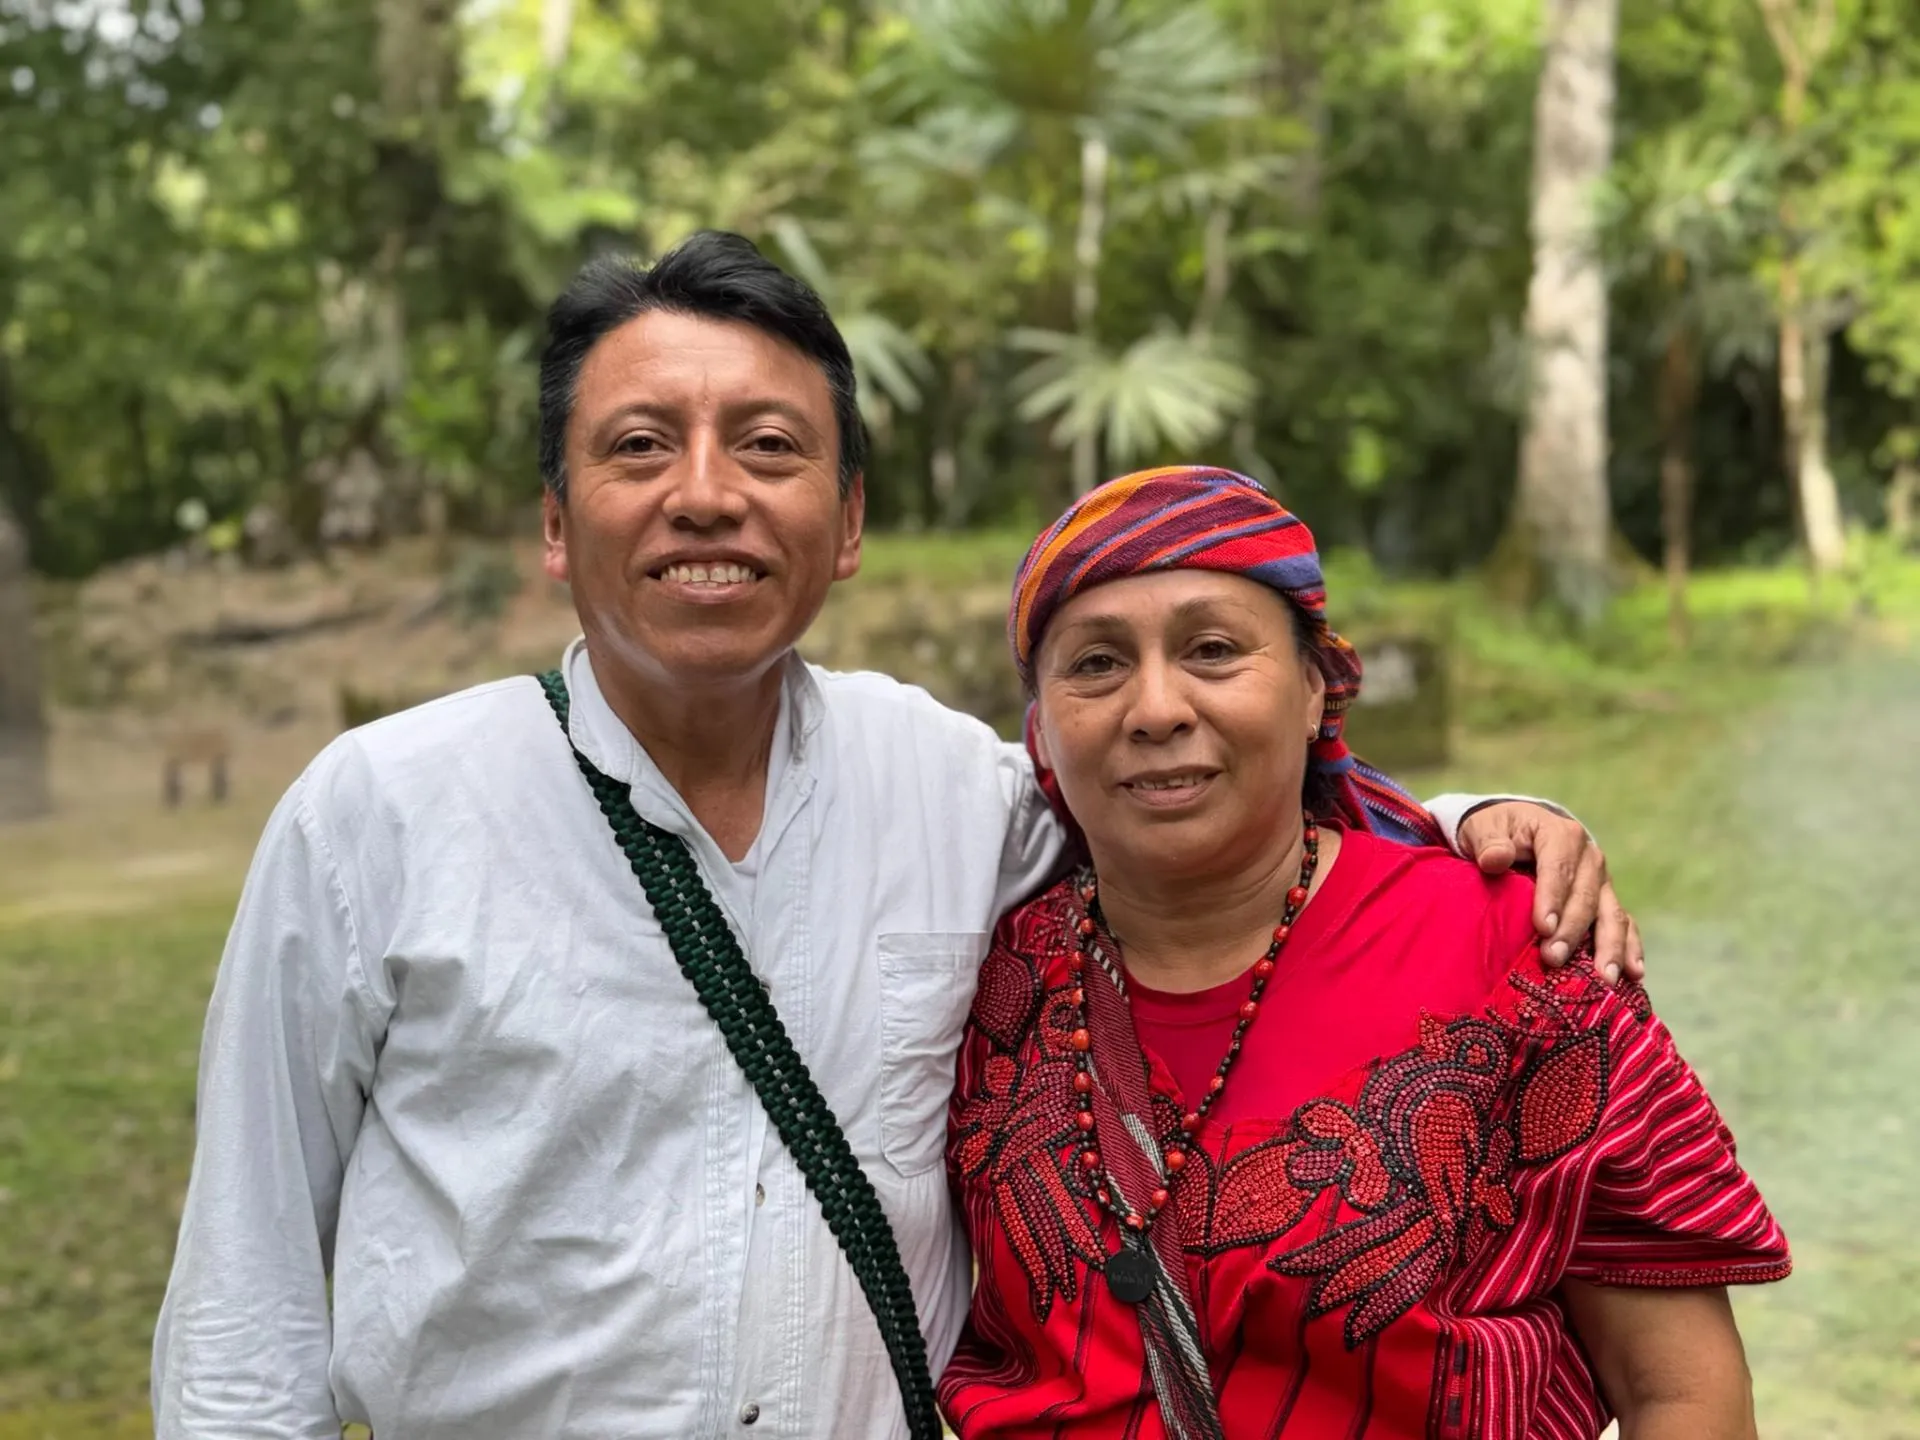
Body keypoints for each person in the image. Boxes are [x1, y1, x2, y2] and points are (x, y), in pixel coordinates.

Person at [153, 233, 1637, 1440]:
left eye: (771, 444)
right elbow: (248, 1287)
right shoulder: (379, 815)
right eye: (640, 446)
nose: (707, 493)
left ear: (847, 521)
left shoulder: (946, 786)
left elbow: (1184, 796)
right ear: (556, 522)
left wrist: (1473, 823)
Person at [941, 466, 1790, 1440]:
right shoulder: (991, 979)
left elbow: (1678, 1393)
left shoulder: (1515, 955)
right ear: (1040, 729)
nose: (1156, 707)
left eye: (1213, 650)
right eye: (1095, 664)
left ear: (1315, 690)